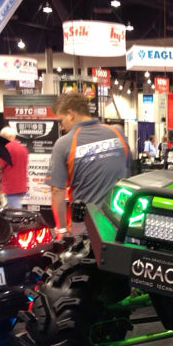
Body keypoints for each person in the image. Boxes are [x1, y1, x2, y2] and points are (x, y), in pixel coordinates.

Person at [48, 91, 131, 240]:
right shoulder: (118, 133)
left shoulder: (64, 143)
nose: (61, 127)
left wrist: (61, 229)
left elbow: (57, 191)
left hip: (87, 227)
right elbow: (129, 173)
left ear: (70, 114)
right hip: (121, 223)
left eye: (61, 121)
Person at [0, 126, 29, 208]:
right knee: (14, 207)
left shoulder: (7, 148)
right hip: (21, 185)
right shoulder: (23, 148)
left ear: (4, 137)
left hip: (11, 186)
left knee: (15, 211)